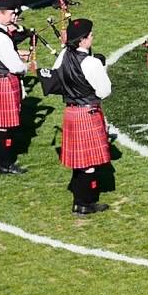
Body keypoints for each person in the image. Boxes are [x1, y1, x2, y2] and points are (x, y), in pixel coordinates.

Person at [52, 18, 114, 216]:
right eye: (90, 35)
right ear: (82, 41)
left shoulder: (63, 55)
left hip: (71, 112)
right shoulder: (92, 63)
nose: (92, 37)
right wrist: (100, 69)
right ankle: (85, 203)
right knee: (89, 164)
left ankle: (79, 201)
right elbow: (104, 91)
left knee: (80, 161)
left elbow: (56, 74)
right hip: (88, 112)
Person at [0, 0, 30, 175]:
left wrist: (16, 54)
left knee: (1, 124)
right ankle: (4, 163)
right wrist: (25, 65)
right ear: (0, 14)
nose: (15, 16)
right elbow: (15, 67)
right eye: (12, 13)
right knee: (4, 125)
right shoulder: (0, 37)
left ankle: (4, 161)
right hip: (3, 80)